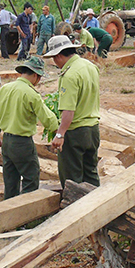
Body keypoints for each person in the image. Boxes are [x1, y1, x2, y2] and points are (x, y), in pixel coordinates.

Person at [0, 56, 60, 199]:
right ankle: (25, 210)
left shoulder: (5, 88)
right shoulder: (31, 93)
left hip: (7, 141)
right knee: (31, 178)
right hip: (22, 143)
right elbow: (48, 119)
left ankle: (9, 210)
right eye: (39, 78)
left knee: (10, 181)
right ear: (35, 75)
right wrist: (60, 132)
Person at [43, 35, 100, 188]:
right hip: (93, 129)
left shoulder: (69, 75)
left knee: (71, 180)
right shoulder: (90, 66)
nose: (55, 63)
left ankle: (75, 210)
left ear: (59, 55)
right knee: (91, 174)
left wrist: (60, 134)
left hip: (75, 132)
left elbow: (69, 110)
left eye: (54, 59)